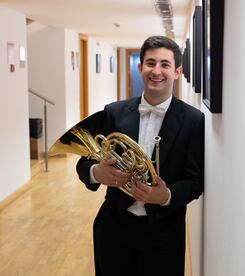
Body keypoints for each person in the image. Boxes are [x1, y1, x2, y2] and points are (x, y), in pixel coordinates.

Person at [76, 36, 204, 276]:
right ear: (140, 67)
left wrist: (166, 195)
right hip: (113, 226)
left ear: (177, 71)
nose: (157, 71)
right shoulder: (114, 112)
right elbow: (83, 162)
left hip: (164, 232)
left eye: (165, 64)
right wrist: (97, 173)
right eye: (150, 63)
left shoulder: (194, 120)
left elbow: (196, 181)